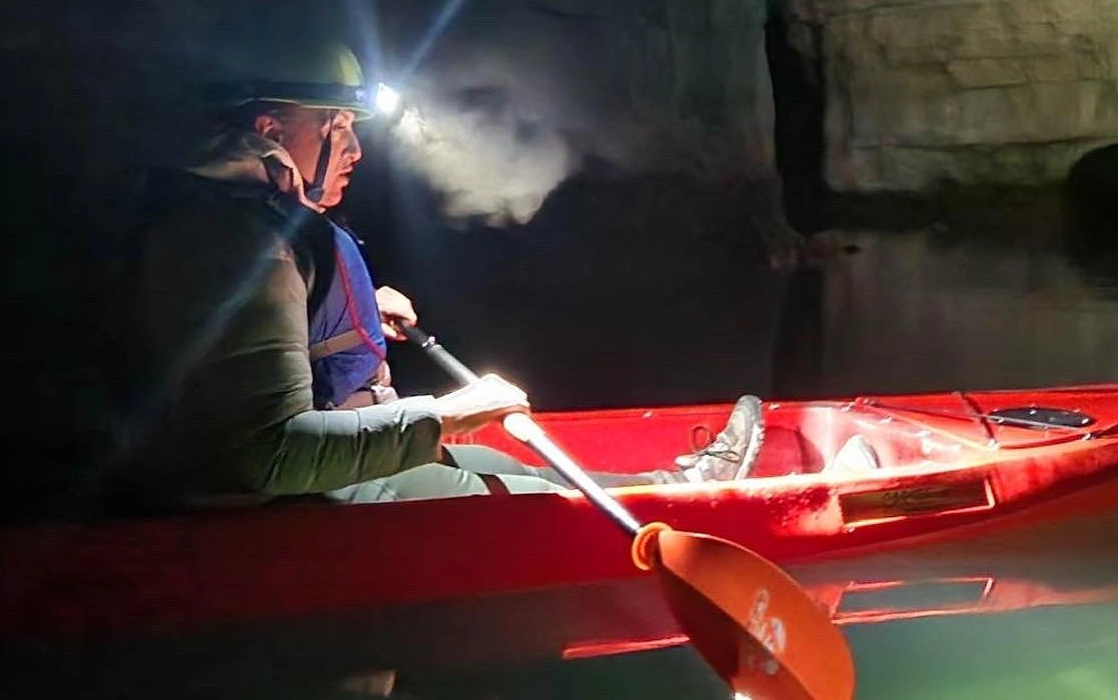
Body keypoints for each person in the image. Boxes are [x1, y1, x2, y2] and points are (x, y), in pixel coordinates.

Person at [123, 39, 765, 507]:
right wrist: (446, 415)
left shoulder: (230, 226)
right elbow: (265, 455)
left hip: (326, 479)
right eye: (336, 125)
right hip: (297, 507)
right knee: (534, 502)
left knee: (497, 462)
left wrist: (352, 308)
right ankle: (691, 507)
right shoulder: (237, 244)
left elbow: (249, 335)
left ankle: (682, 489)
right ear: (271, 128)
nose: (354, 149)